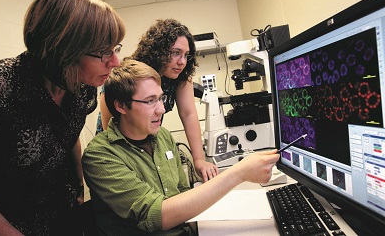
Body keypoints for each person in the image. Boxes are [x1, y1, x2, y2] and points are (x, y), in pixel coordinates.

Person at [82, 60, 280, 235]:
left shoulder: (162, 136)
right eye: (150, 101)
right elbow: (158, 216)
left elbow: (183, 192)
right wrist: (239, 173)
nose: (161, 109)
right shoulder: (100, 156)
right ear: (121, 106)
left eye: (160, 98)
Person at [0, 0, 125, 235]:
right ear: (64, 51)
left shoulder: (82, 86)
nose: (115, 62)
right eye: (104, 52)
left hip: (60, 213)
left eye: (116, 49)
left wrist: (79, 190)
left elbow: (68, 137)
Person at [97, 18, 218, 182]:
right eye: (175, 53)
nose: (182, 62)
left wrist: (199, 160)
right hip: (117, 143)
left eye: (186, 55)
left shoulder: (179, 75)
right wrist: (120, 160)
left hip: (145, 139)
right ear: (158, 50)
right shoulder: (131, 73)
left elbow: (188, 113)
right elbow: (110, 127)